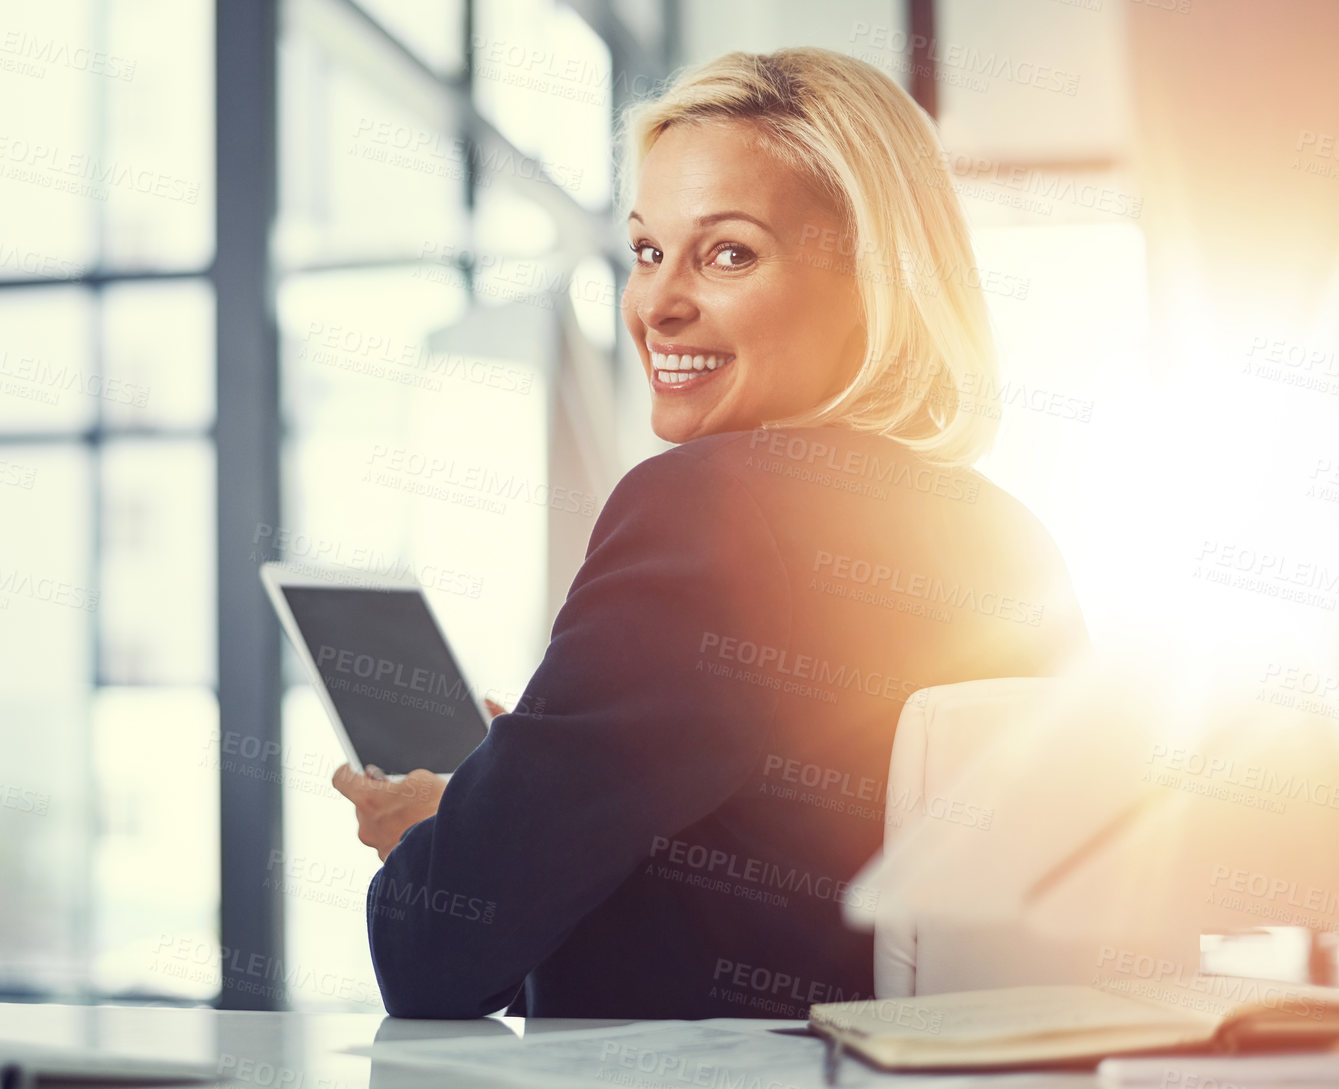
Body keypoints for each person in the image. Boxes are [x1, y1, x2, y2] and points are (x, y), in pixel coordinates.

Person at [332, 47, 1088, 1020]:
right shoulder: (1009, 535)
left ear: (872, 281)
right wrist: (532, 789)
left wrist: (447, 831)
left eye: (727, 252)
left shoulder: (705, 507)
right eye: (647, 251)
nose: (657, 304)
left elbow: (432, 952)